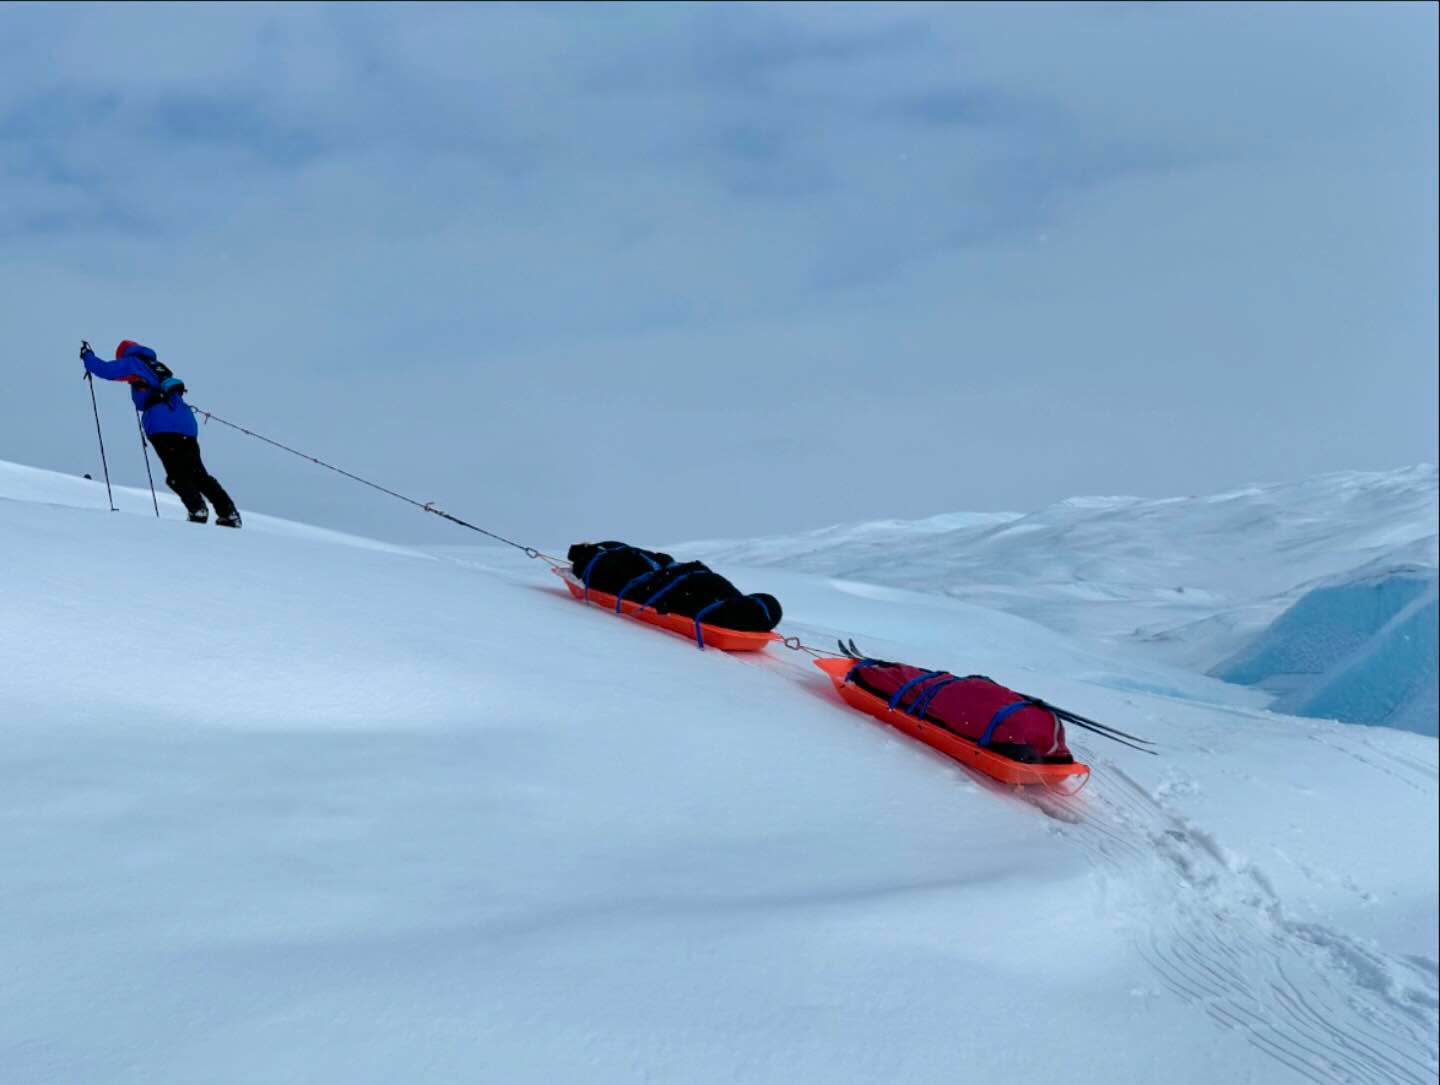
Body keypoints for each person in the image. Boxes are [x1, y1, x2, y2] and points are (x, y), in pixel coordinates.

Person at [80, 339, 242, 528]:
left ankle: (197, 509)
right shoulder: (158, 367)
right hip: (186, 424)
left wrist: (87, 356)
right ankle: (228, 513)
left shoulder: (134, 363)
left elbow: (106, 370)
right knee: (198, 474)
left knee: (176, 474)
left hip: (162, 424)